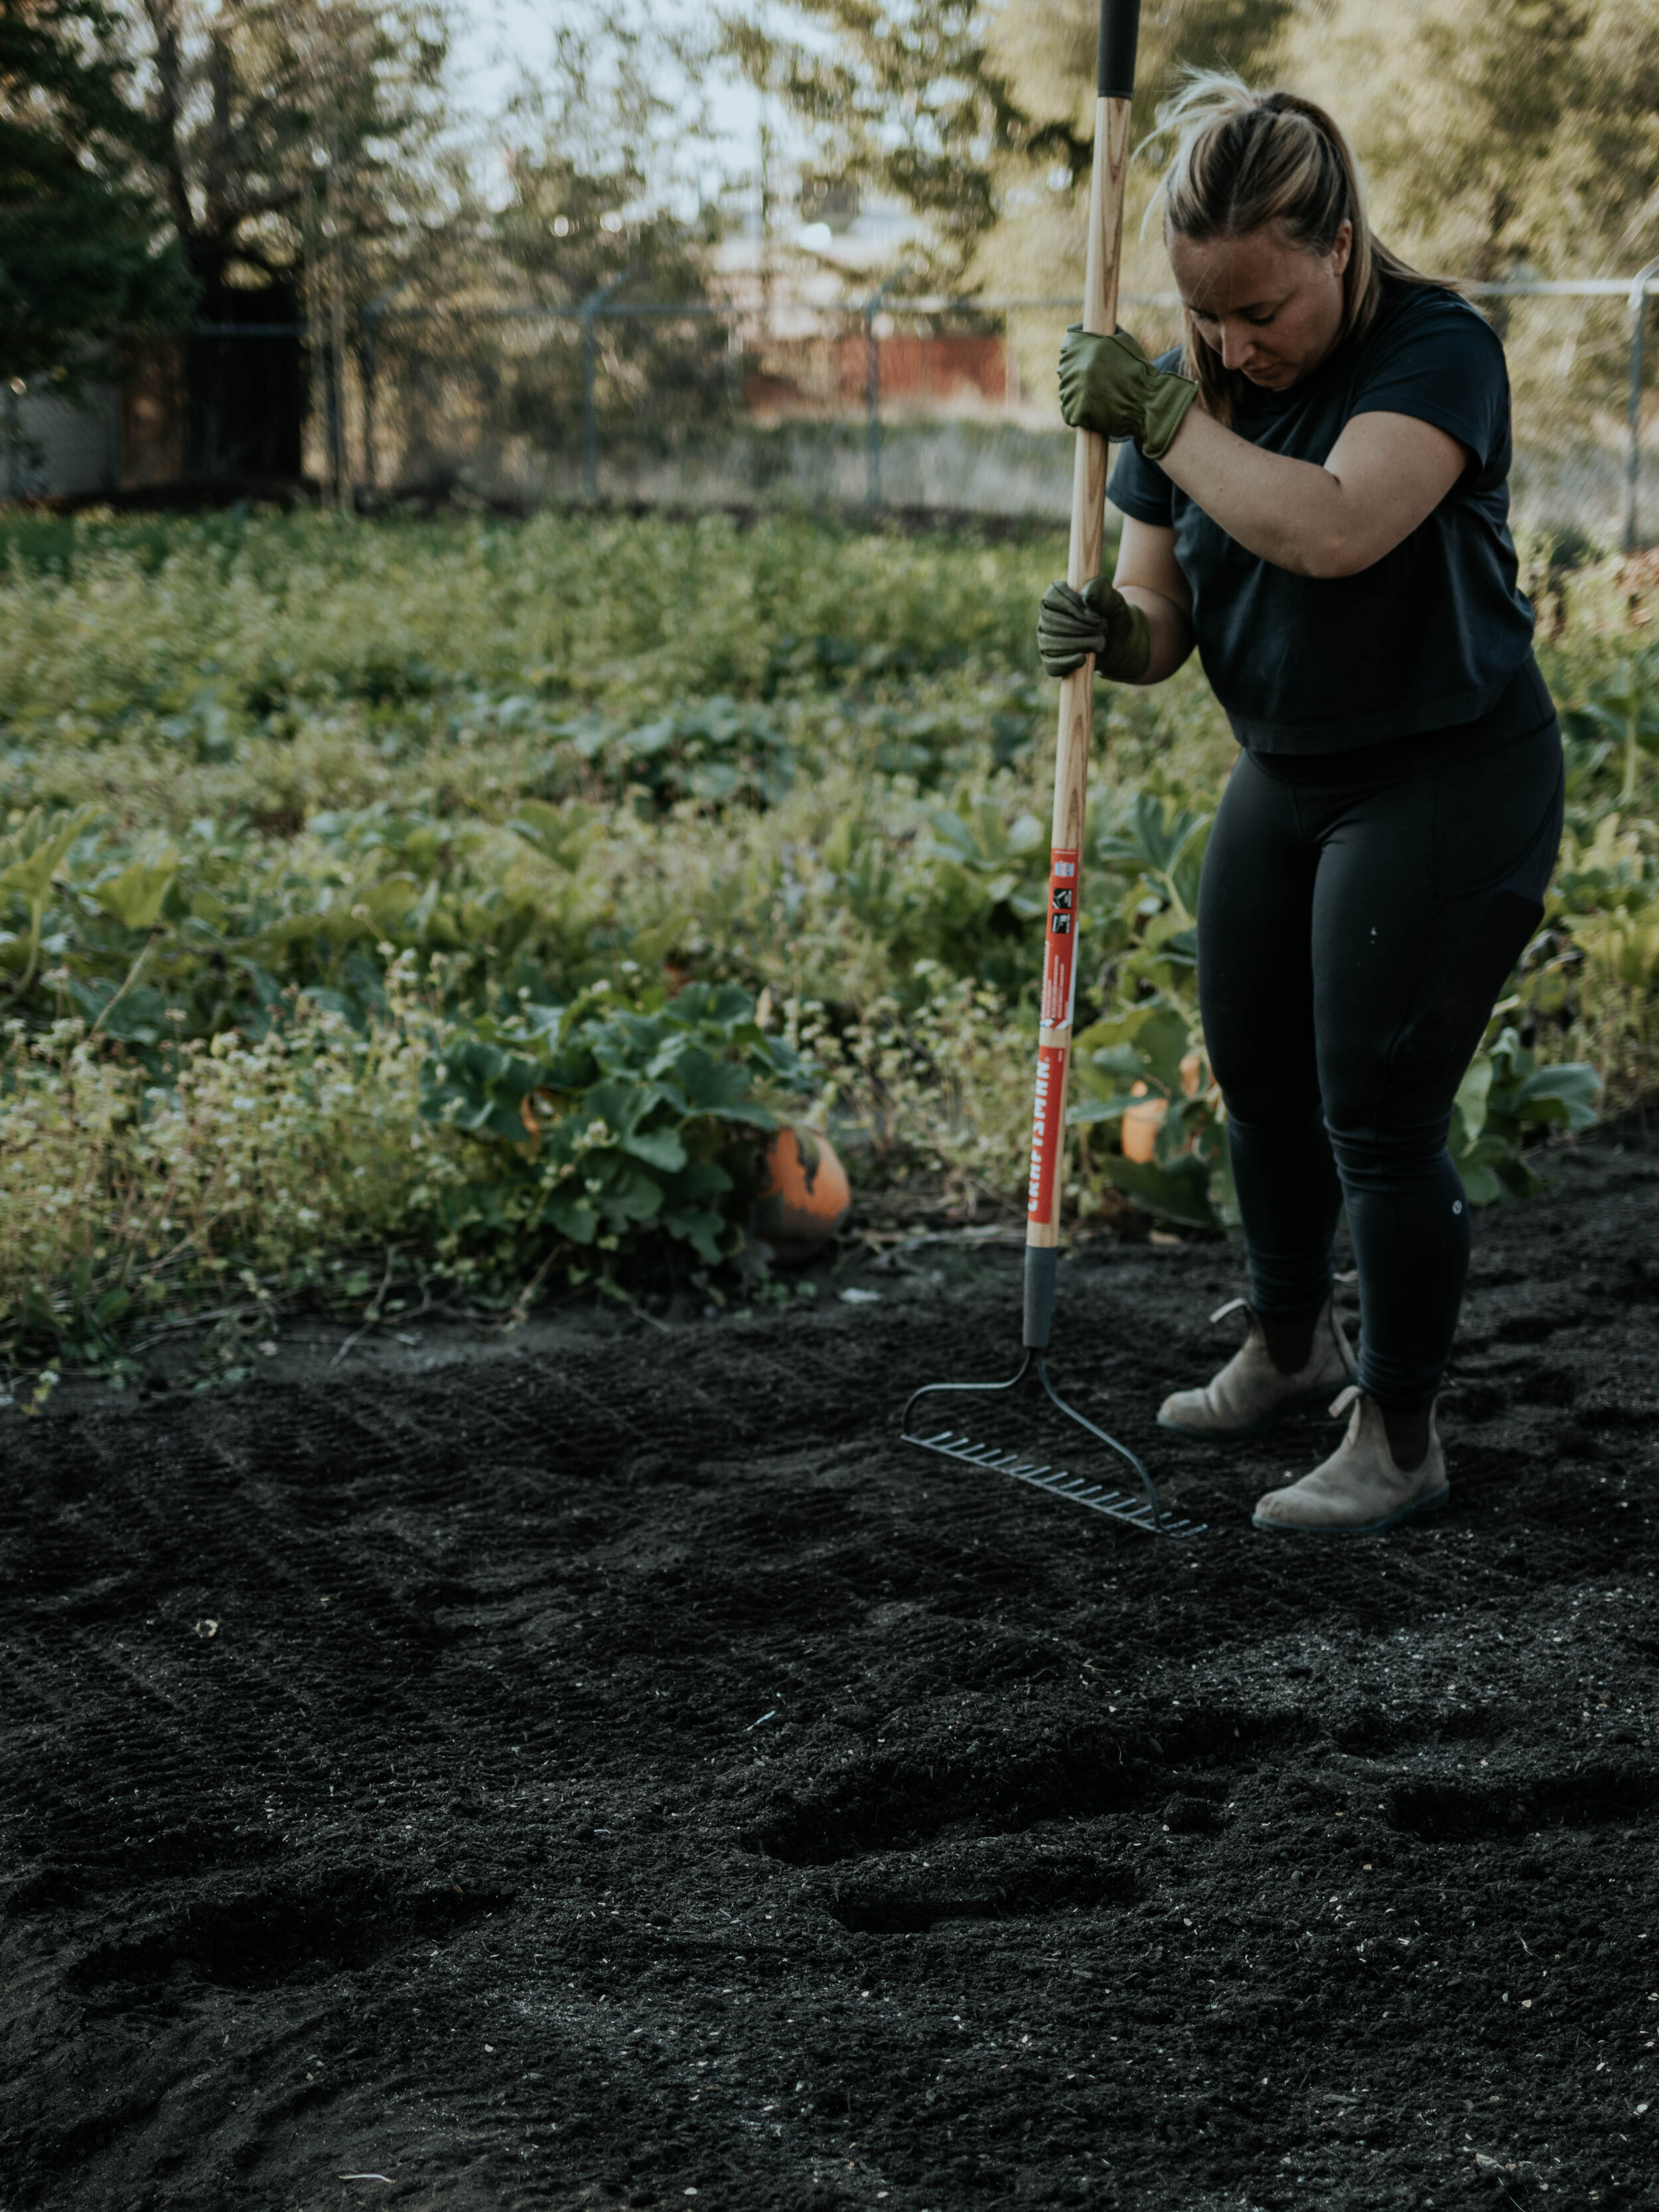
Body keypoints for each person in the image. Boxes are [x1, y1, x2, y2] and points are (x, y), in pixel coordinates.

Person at [1036, 72, 1563, 1535]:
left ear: (1335, 242)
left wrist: (1163, 412)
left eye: (1258, 308)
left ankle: (1398, 1432)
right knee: (1257, 1080)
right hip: (1285, 769)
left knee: (1376, 1111)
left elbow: (1331, 526)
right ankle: (1285, 1343)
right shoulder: (1183, 381)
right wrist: (1108, 633)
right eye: (1203, 313)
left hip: (1447, 771)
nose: (1229, 343)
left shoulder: (1434, 345)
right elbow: (1163, 616)